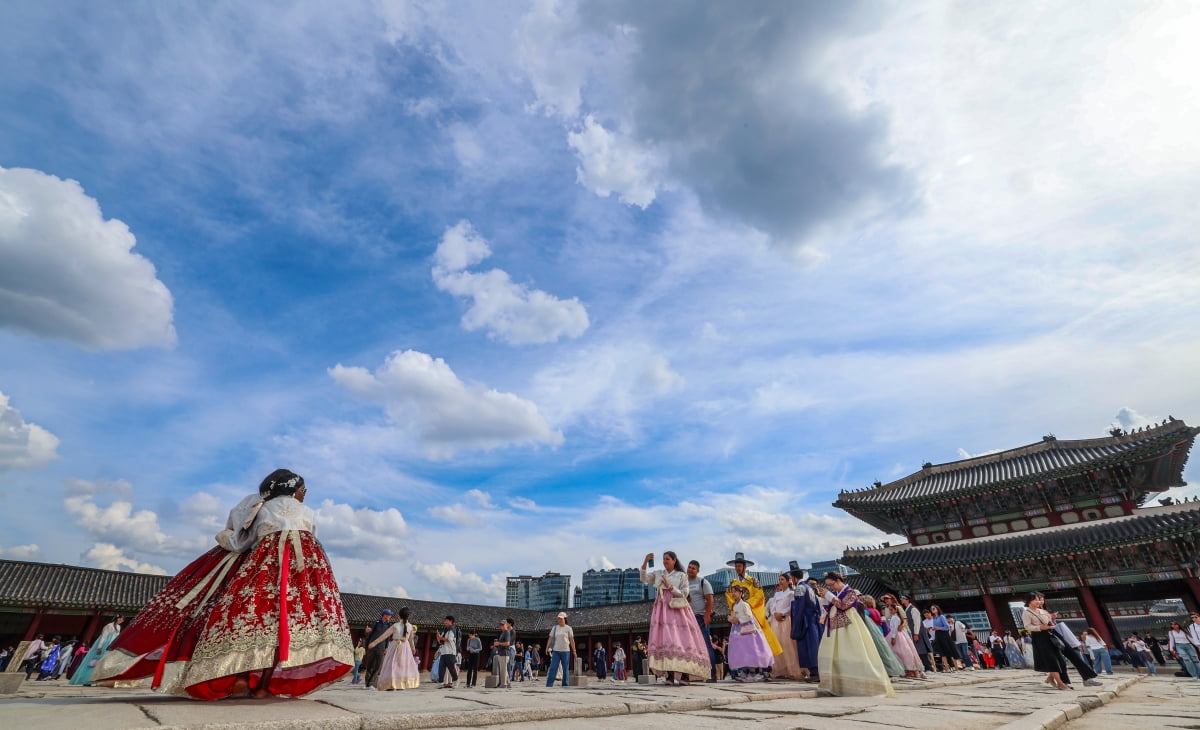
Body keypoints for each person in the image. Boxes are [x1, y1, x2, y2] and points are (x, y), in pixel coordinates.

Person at [163, 470, 353, 698]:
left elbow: (240, 542)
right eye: (304, 490)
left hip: (265, 567)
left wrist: (223, 535)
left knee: (251, 619)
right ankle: (264, 684)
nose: (305, 494)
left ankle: (241, 678)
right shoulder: (309, 512)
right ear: (293, 489)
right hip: (302, 576)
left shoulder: (260, 508)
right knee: (286, 627)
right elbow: (313, 536)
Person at [90, 482, 275, 692]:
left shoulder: (250, 501)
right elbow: (244, 540)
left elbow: (235, 532)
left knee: (197, 615)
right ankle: (233, 678)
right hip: (246, 563)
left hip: (224, 560)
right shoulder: (264, 506)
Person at [817, 572, 895, 698]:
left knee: (854, 651)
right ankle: (836, 683)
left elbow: (843, 606)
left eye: (832, 585)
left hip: (849, 627)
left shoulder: (850, 592)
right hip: (835, 627)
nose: (832, 588)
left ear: (837, 580)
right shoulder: (836, 593)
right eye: (829, 586)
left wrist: (829, 596)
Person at [640, 551, 712, 685]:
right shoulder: (658, 573)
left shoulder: (681, 575)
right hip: (662, 608)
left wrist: (670, 587)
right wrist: (645, 562)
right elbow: (643, 579)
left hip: (678, 610)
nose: (665, 561)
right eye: (663, 559)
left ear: (674, 560)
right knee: (665, 640)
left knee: (681, 640)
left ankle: (684, 675)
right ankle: (669, 675)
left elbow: (685, 593)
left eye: (667, 559)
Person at [723, 552, 782, 677]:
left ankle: (766, 668)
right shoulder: (732, 583)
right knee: (743, 645)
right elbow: (729, 597)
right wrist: (736, 605)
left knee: (760, 642)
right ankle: (745, 669)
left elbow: (759, 595)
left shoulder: (753, 581)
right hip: (740, 616)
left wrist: (747, 605)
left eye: (740, 566)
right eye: (736, 566)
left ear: (745, 567)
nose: (738, 568)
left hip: (752, 614)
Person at [1021, 591, 1069, 690]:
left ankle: (1050, 678)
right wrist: (1039, 627)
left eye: (1038, 599)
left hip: (1050, 636)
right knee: (1051, 660)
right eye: (1035, 600)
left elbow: (1049, 622)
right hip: (1039, 637)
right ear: (1029, 601)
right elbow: (1027, 626)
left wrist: (1051, 620)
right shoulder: (1026, 613)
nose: (1038, 601)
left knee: (1060, 659)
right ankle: (1060, 683)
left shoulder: (1043, 611)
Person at [727, 585, 774, 682]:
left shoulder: (745, 604)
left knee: (750, 650)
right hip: (738, 630)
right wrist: (733, 619)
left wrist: (738, 620)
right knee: (742, 651)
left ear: (741, 593)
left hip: (748, 630)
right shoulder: (735, 605)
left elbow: (749, 616)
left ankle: (752, 673)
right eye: (732, 592)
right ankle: (744, 672)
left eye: (735, 591)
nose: (733, 594)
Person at [371, 606, 419, 690]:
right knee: (402, 666)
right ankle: (401, 685)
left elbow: (384, 635)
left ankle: (391, 684)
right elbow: (411, 639)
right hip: (405, 647)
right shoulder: (410, 626)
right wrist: (413, 648)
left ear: (399, 616)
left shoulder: (396, 625)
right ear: (408, 617)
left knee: (392, 664)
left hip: (395, 646)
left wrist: (374, 643)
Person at [685, 559, 718, 682]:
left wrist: (707, 615)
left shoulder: (703, 582)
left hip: (701, 617)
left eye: (693, 568)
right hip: (688, 617)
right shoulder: (684, 583)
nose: (690, 569)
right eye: (689, 567)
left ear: (697, 570)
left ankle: (712, 673)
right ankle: (695, 674)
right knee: (690, 647)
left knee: (705, 645)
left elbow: (710, 599)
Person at [788, 564, 821, 682]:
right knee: (814, 645)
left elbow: (798, 607)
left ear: (793, 578)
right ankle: (815, 672)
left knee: (808, 647)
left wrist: (796, 624)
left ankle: (814, 673)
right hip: (813, 620)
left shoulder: (800, 588)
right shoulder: (809, 587)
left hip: (805, 621)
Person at [766, 574, 803, 679]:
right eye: (779, 580)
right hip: (776, 622)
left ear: (788, 581)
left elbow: (792, 607)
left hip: (786, 620)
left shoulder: (791, 594)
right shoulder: (777, 595)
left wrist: (782, 613)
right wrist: (775, 614)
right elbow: (772, 607)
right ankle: (780, 670)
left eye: (782, 579)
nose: (780, 581)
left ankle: (793, 671)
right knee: (778, 645)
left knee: (789, 645)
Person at [71, 617, 124, 685]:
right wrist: (99, 647)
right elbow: (103, 636)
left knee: (105, 662)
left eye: (122, 620)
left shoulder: (119, 627)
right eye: (120, 619)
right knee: (95, 661)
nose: (121, 621)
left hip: (111, 644)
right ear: (116, 619)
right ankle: (86, 680)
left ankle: (99, 680)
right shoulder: (109, 625)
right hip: (105, 643)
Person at [1051, 622, 1102, 687]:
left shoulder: (1056, 622)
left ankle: (1087, 678)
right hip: (1048, 639)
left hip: (1061, 639)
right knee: (1060, 662)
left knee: (1077, 659)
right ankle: (1064, 682)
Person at [885, 604, 926, 678]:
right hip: (899, 634)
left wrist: (893, 637)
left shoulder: (895, 618)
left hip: (897, 635)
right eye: (890, 610)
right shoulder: (895, 617)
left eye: (891, 610)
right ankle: (908, 670)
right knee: (902, 652)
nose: (890, 611)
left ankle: (909, 670)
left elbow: (894, 629)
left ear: (896, 610)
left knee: (902, 652)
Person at [899, 596, 934, 674]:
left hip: (917, 632)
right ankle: (924, 668)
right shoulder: (907, 609)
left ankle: (929, 668)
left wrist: (916, 633)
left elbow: (917, 622)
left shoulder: (913, 609)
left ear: (907, 600)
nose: (901, 600)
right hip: (912, 632)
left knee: (922, 650)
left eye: (903, 599)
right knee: (918, 650)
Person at [362, 609, 394, 688]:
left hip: (381, 648)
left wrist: (386, 648)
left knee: (377, 667)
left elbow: (388, 638)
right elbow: (368, 634)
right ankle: (367, 684)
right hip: (372, 647)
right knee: (369, 666)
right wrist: (367, 631)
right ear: (385, 615)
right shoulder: (376, 623)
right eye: (389, 615)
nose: (390, 617)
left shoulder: (389, 625)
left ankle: (373, 684)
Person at [544, 612, 576, 687]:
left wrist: (574, 650)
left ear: (565, 619)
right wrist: (547, 647)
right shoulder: (555, 628)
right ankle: (549, 684)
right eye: (558, 618)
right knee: (553, 667)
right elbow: (550, 638)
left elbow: (571, 640)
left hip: (565, 651)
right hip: (556, 651)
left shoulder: (568, 628)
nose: (559, 620)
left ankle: (565, 684)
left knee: (565, 669)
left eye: (561, 618)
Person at [926, 606, 956, 672]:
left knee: (948, 650)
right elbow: (935, 626)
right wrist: (933, 628)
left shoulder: (941, 617)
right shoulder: (934, 618)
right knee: (942, 652)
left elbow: (947, 627)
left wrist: (939, 628)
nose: (932, 610)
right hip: (937, 634)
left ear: (937, 609)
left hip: (944, 634)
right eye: (931, 609)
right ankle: (947, 668)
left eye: (933, 608)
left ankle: (955, 667)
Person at [436, 616, 461, 688]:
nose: (445, 622)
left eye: (446, 620)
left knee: (451, 668)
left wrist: (441, 638)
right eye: (445, 620)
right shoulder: (445, 630)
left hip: (450, 651)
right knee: (441, 667)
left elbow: (449, 639)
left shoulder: (452, 629)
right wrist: (438, 637)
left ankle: (456, 680)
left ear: (451, 621)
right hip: (444, 651)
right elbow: (441, 641)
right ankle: (440, 683)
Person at [493, 618, 514, 689]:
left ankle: (503, 684)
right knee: (504, 670)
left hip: (504, 653)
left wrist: (499, 643)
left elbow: (507, 643)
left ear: (506, 625)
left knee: (503, 670)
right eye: (500, 624)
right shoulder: (503, 633)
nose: (501, 626)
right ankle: (507, 683)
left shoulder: (507, 632)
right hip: (501, 653)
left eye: (503, 624)